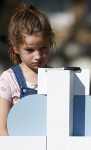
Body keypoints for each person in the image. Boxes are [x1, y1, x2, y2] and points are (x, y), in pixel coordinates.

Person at [0, 3, 54, 135]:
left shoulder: (57, 78)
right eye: (30, 50)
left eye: (43, 48)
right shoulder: (8, 79)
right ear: (15, 48)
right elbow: (2, 129)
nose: (38, 56)